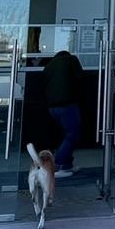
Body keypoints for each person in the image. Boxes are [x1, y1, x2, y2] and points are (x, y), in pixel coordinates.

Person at [44, 44, 83, 178]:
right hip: (67, 104)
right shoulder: (72, 60)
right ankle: (59, 164)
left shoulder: (49, 65)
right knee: (72, 134)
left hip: (52, 107)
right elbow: (80, 77)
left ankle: (67, 165)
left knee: (66, 135)